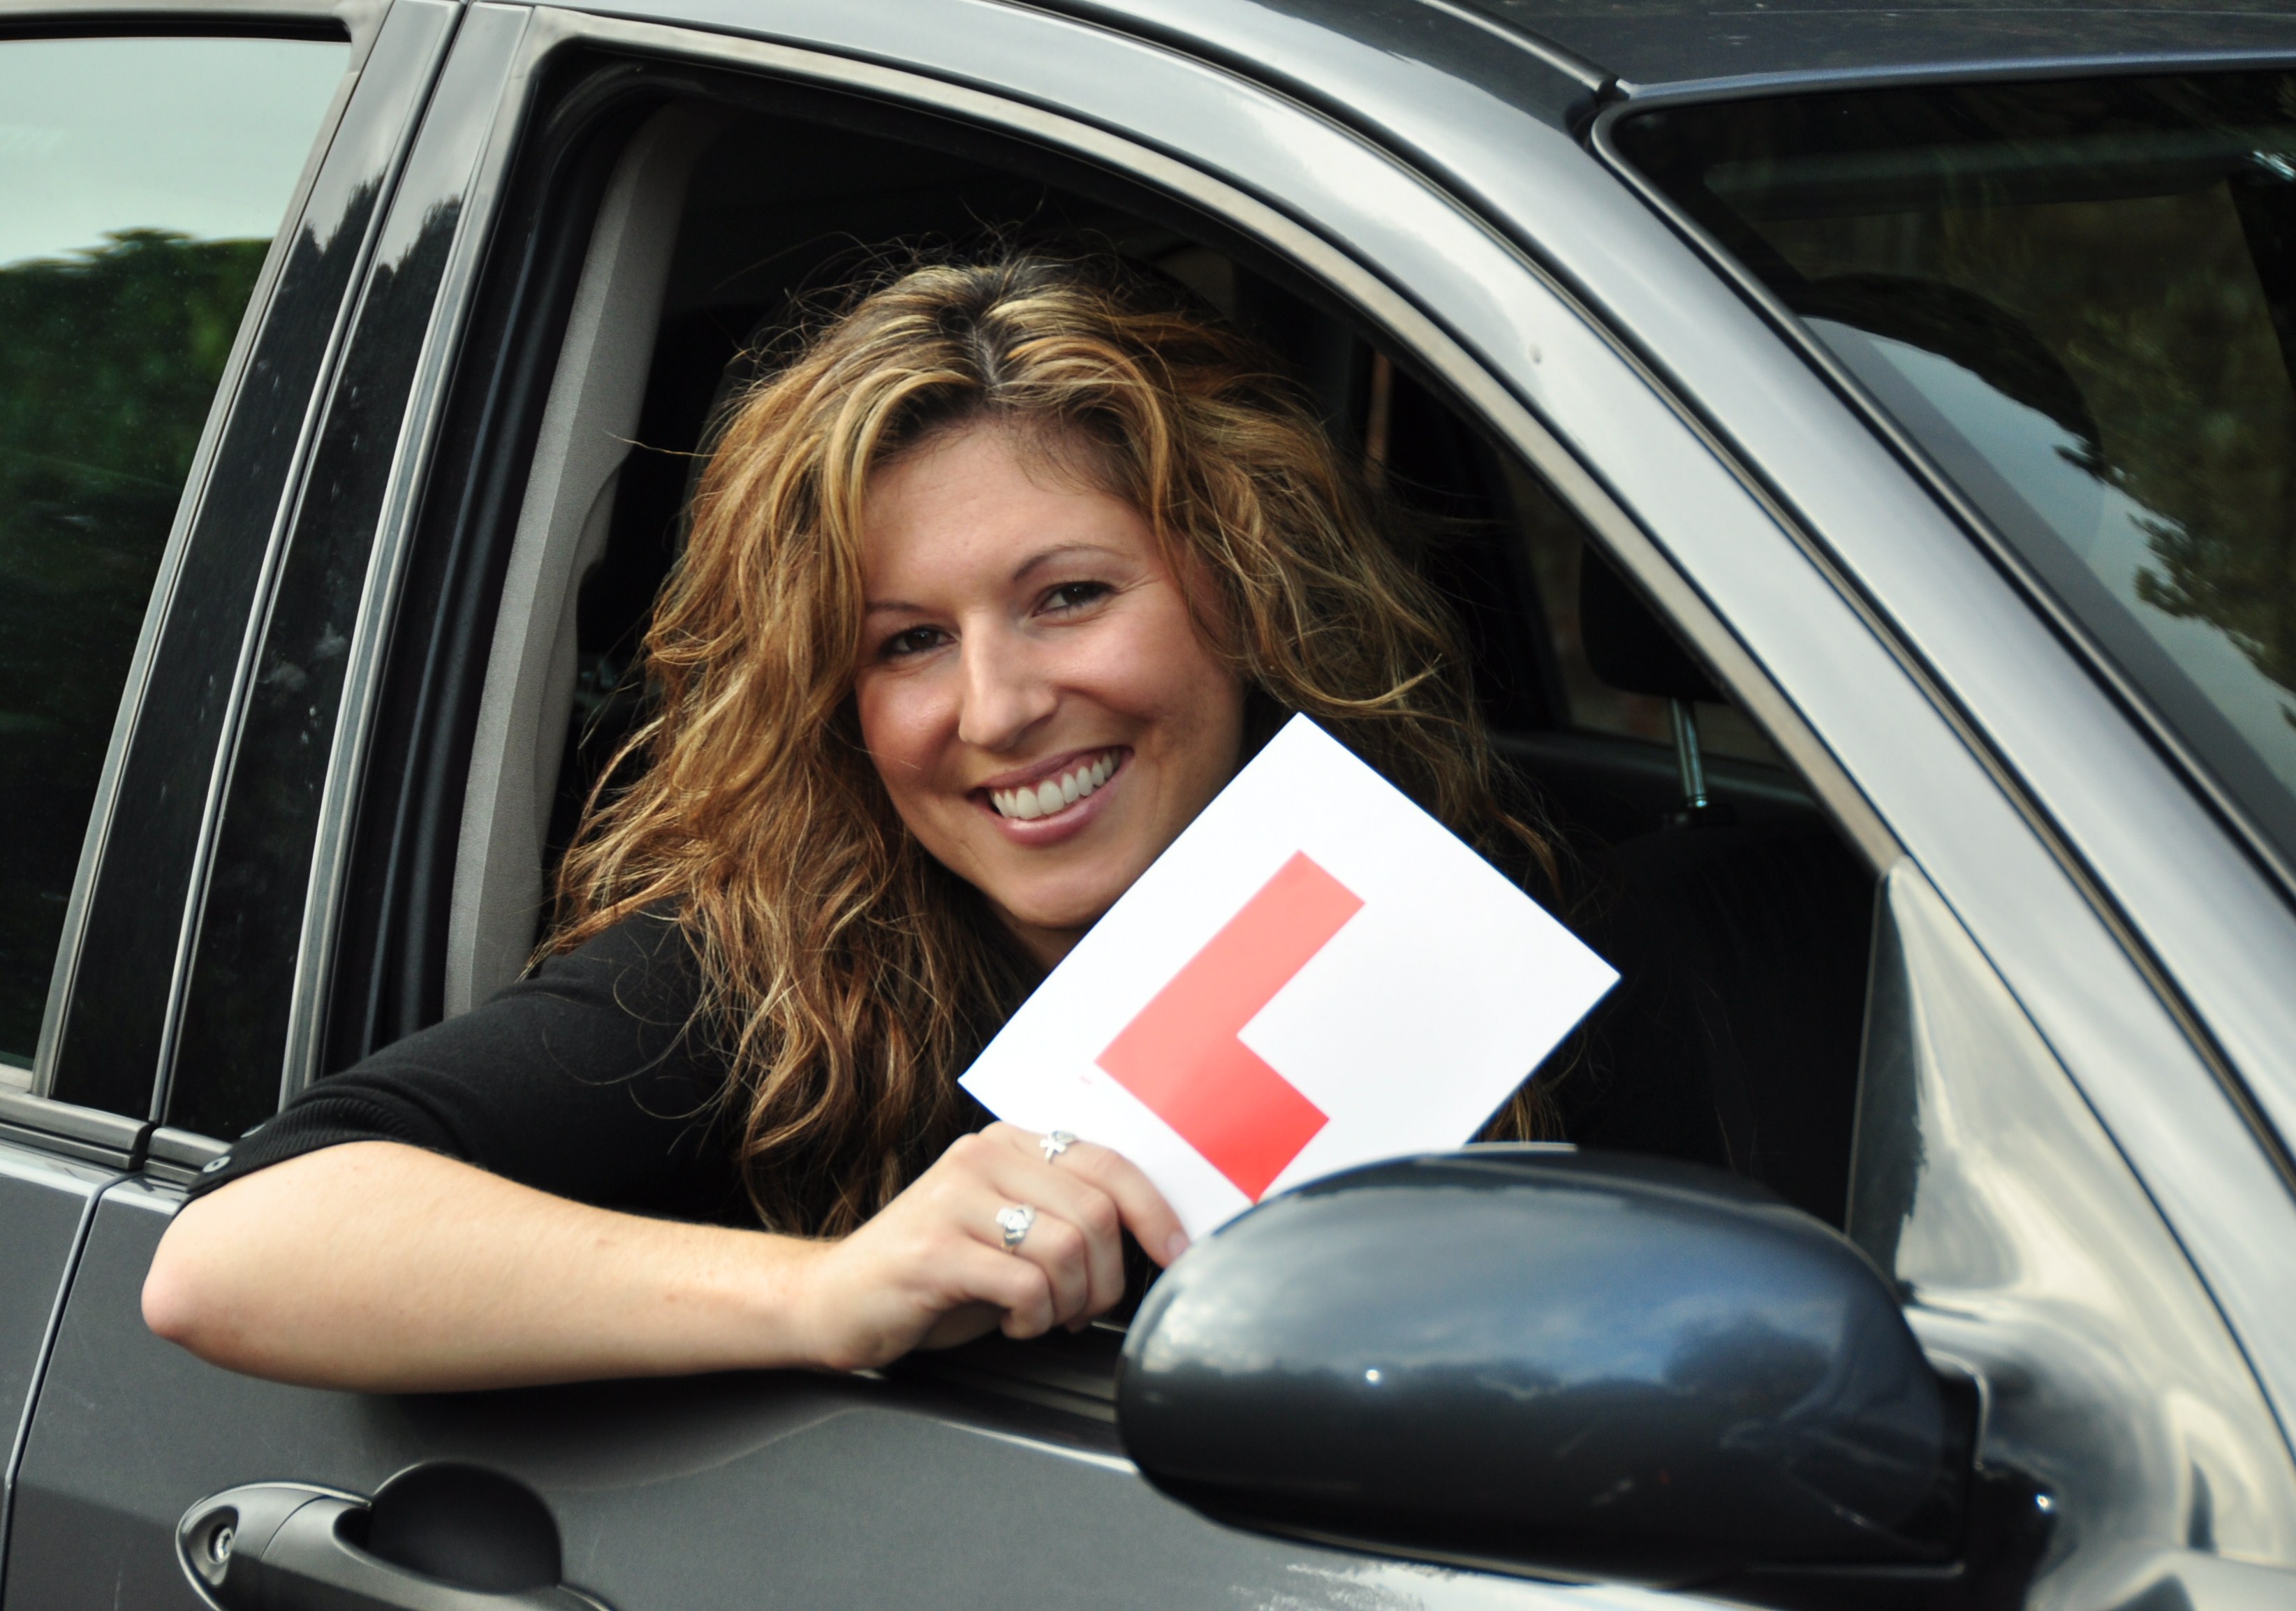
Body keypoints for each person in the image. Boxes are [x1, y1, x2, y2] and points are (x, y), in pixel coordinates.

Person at [142, 253, 1559, 1392]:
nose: (997, 708)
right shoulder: (773, 966)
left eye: (1068, 595)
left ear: (1242, 593)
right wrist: (831, 1290)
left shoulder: (1489, 917)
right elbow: (232, 1254)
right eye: (906, 643)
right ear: (837, 701)